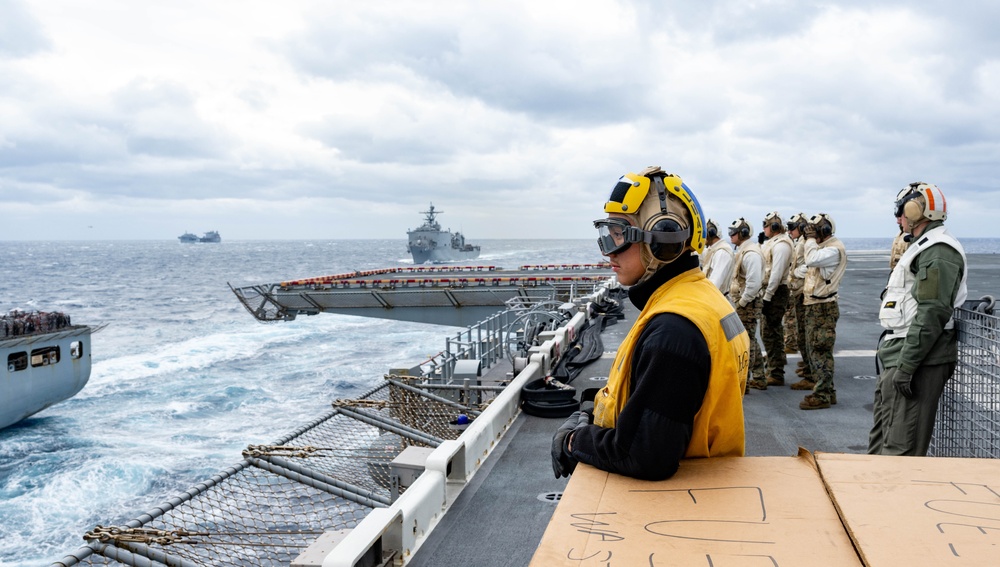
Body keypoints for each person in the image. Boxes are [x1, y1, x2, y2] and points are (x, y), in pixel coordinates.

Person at [551, 166, 750, 481]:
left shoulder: (674, 330)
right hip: (711, 487)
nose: (608, 252)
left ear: (662, 240)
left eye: (619, 235)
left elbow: (643, 454)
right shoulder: (701, 297)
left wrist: (574, 440)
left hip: (680, 505)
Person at [869, 182, 967, 455]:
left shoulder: (938, 250)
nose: (898, 218)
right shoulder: (921, 245)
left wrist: (907, 366)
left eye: (900, 211)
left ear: (915, 212)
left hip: (916, 360)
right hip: (900, 355)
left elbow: (932, 313)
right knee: (883, 439)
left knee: (900, 448)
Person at [796, 213, 847, 410]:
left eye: (814, 231)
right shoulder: (824, 248)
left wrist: (808, 240)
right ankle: (827, 390)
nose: (811, 235)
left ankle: (823, 394)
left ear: (824, 231)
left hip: (823, 307)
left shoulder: (833, 250)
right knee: (814, 350)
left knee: (820, 350)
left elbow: (810, 259)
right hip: (815, 305)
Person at [728, 217, 766, 390]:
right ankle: (759, 376)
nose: (731, 235)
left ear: (742, 234)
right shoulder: (745, 250)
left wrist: (742, 302)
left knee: (746, 342)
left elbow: (754, 283)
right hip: (745, 302)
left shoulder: (751, 254)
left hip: (748, 303)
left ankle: (746, 381)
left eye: (733, 232)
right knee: (749, 339)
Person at [760, 212, 794, 387]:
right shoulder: (773, 243)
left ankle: (776, 372)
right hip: (771, 291)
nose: (764, 228)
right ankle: (774, 367)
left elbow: (776, 273)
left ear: (773, 227)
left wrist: (767, 297)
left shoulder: (781, 245)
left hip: (775, 292)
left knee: (772, 333)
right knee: (768, 333)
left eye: (766, 225)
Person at [785, 213, 814, 390]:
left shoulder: (806, 244)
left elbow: (810, 264)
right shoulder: (799, 243)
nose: (789, 231)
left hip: (803, 291)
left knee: (804, 335)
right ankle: (808, 366)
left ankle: (811, 373)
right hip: (798, 291)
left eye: (793, 227)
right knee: (801, 333)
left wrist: (796, 274)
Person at [701, 218, 735, 294]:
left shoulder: (722, 253)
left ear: (711, 233)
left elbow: (714, 284)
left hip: (717, 299)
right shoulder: (713, 249)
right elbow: (700, 254)